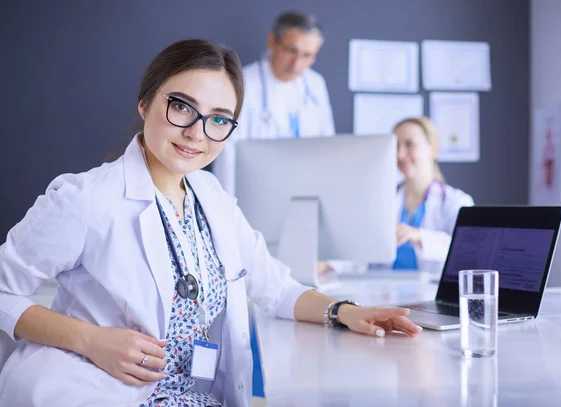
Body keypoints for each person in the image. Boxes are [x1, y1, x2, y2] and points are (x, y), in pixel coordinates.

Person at [0, 39, 421, 407]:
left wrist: (345, 312)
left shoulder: (213, 199)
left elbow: (276, 289)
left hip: (194, 396)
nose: (197, 133)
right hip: (97, 391)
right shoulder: (85, 198)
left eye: (219, 118)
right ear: (145, 102)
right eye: (182, 107)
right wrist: (91, 340)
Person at [211, 10, 335, 195]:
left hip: (305, 191)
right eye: (291, 51)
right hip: (255, 192)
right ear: (272, 41)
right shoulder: (243, 83)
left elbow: (328, 145)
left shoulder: (316, 85)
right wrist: (224, 206)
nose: (296, 64)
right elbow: (227, 154)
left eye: (307, 55)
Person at [393, 117, 474, 279]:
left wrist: (420, 237)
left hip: (430, 294)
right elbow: (361, 251)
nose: (400, 154)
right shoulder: (384, 200)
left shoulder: (456, 202)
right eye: (396, 146)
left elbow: (469, 252)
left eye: (409, 144)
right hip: (382, 293)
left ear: (433, 149)